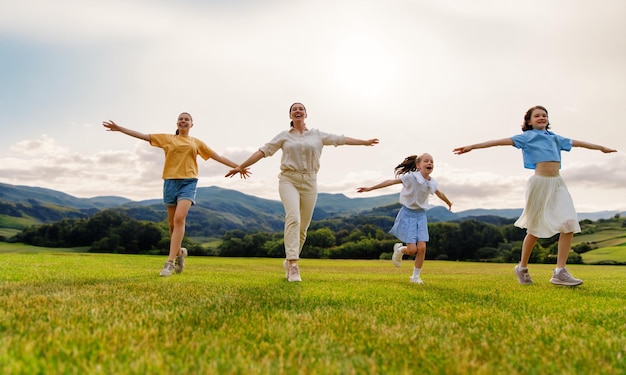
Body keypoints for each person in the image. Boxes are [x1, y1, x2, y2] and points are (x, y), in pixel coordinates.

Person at [453, 105, 617, 286]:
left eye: (544, 115)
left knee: (569, 223)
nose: (541, 117)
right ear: (529, 121)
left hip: (558, 183)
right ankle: (522, 267)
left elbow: (578, 142)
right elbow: (498, 141)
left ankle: (560, 272)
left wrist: (602, 147)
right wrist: (472, 147)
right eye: (537, 116)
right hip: (539, 183)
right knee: (535, 228)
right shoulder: (527, 137)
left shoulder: (555, 138)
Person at [226, 102, 379, 282]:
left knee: (303, 228)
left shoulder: (318, 135)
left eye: (301, 109)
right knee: (293, 218)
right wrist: (240, 166)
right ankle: (293, 265)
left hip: (310, 181)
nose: (297, 111)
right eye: (294, 109)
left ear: (306, 114)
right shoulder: (284, 136)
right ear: (290, 116)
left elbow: (341, 139)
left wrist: (364, 142)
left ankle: (290, 259)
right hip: (288, 179)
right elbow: (263, 151)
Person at [103, 112, 249, 277]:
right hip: (170, 182)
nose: (183, 121)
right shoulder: (167, 139)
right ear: (177, 123)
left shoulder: (196, 143)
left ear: (192, 124)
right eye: (181, 119)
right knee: (172, 226)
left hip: (188, 182)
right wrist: (119, 128)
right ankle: (180, 253)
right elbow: (143, 136)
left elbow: (217, 156)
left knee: (179, 218)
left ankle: (169, 263)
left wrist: (238, 166)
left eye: (187, 119)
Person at [357, 153, 452, 284]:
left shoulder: (432, 182)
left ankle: (415, 277)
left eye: (431, 161)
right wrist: (370, 188)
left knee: (422, 248)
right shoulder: (411, 177)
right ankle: (400, 249)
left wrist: (448, 202)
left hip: (421, 215)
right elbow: (391, 182)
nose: (429, 163)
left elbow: (439, 193)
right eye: (426, 161)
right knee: (412, 250)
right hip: (407, 214)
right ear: (418, 165)